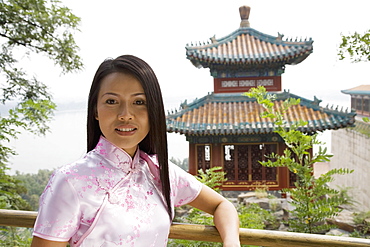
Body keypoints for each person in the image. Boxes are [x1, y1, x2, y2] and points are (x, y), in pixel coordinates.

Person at [31, 55, 240, 247]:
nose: (125, 115)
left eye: (139, 102)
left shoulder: (160, 171)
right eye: (111, 102)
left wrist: (231, 242)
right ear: (95, 110)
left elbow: (222, 206)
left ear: (153, 111)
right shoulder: (70, 181)